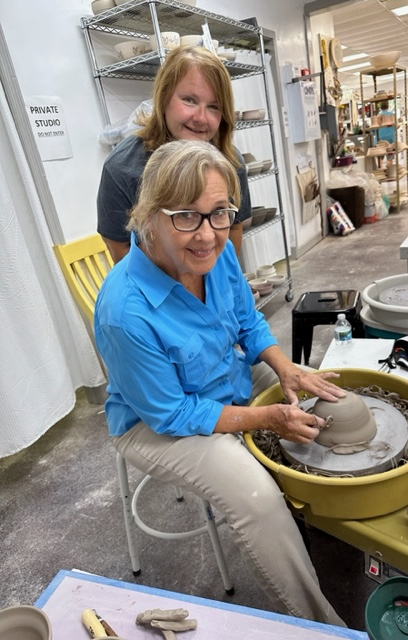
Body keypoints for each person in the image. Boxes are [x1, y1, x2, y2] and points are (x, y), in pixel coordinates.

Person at [94, 139, 347, 626]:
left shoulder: (219, 252)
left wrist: (285, 367)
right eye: (186, 216)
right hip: (154, 423)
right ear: (149, 216)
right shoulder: (125, 311)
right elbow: (172, 413)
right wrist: (265, 417)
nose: (207, 234)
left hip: (221, 378)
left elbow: (248, 321)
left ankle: (324, 532)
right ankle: (323, 626)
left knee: (321, 400)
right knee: (256, 497)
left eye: (219, 213)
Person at [97, 45, 251, 263]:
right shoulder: (121, 168)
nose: (201, 118)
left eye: (214, 106)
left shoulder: (230, 162)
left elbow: (234, 228)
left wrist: (222, 279)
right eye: (189, 100)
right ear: (164, 97)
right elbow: (120, 247)